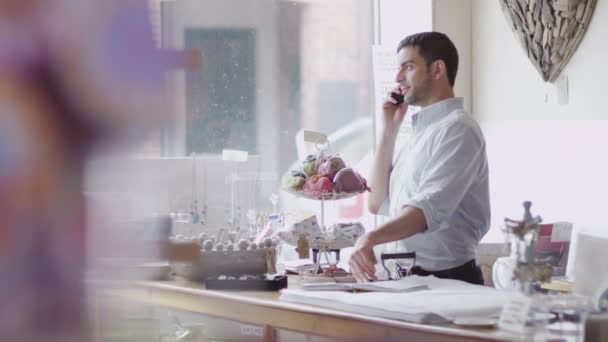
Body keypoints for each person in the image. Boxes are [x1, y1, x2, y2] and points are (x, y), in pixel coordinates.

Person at [349, 32, 490, 285]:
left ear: (437, 70)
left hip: (449, 283)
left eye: (408, 67)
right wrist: (389, 130)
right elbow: (376, 202)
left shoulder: (458, 129)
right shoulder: (420, 132)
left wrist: (369, 238)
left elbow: (425, 211)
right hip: (406, 280)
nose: (398, 78)